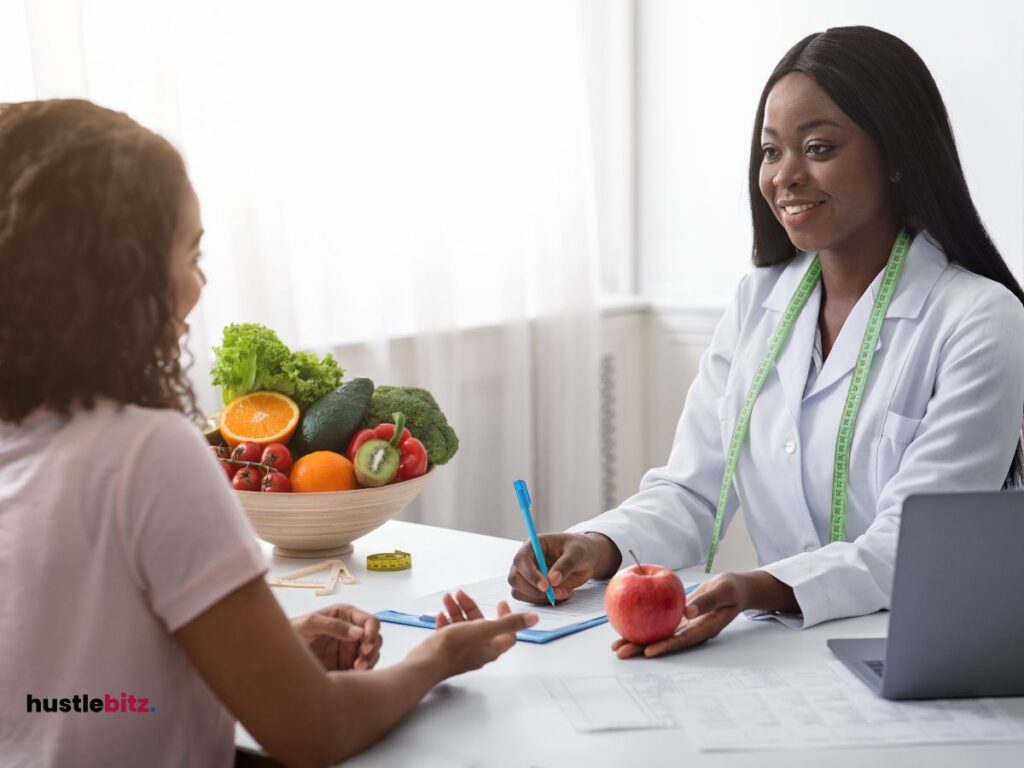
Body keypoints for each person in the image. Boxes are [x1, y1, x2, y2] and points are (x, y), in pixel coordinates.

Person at [0, 99, 537, 767]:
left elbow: (66, 695)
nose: (199, 286)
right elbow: (313, 732)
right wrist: (435, 658)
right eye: (190, 254)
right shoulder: (145, 453)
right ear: (119, 278)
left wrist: (256, 648)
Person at [508, 25, 1024, 658]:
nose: (786, 176)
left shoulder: (979, 318)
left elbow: (919, 542)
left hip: (919, 654)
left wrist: (763, 586)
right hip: (781, 652)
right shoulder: (759, 301)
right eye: (772, 151)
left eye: (818, 147)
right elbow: (692, 490)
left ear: (896, 154)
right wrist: (601, 546)